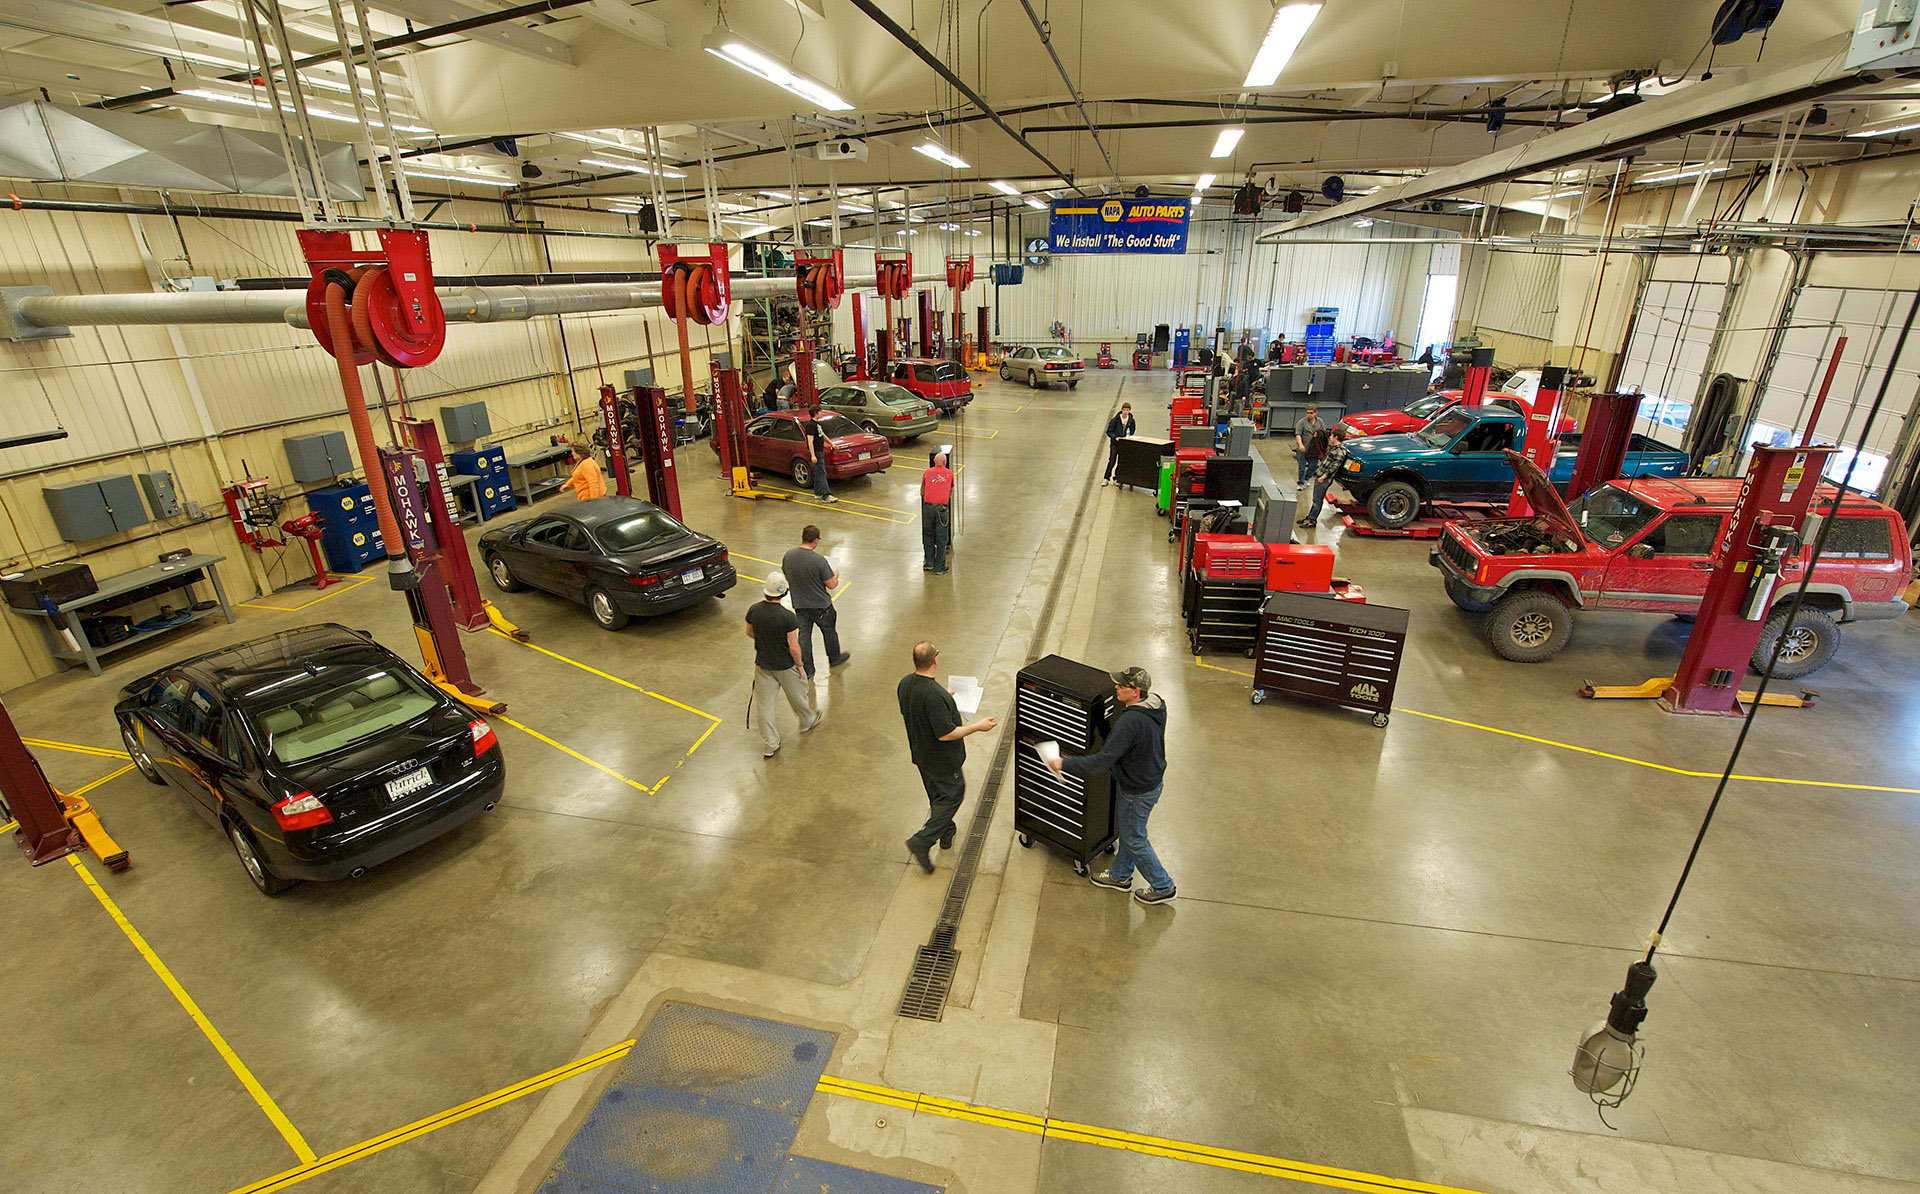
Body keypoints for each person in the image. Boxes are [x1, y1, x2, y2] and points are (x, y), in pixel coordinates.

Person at [1047, 665, 1173, 905]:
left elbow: (1102, 761)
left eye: (1121, 686)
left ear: (1135, 691)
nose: (1116, 687)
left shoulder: (1131, 721)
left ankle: (1163, 886)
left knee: (1135, 838)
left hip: (1138, 789)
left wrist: (1063, 764)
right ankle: (1120, 876)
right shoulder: (1156, 704)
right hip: (1150, 779)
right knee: (1128, 832)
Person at [896, 640, 996, 873]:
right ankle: (921, 841)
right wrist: (978, 726)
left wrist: (946, 699)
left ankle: (946, 832)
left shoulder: (906, 684)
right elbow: (946, 734)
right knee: (952, 796)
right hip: (941, 759)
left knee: (937, 796)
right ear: (935, 660)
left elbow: (916, 708)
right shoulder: (934, 695)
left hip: (921, 755)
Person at [745, 571, 818, 758]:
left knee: (764, 706)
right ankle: (807, 720)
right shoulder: (788, 617)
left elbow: (749, 632)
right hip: (785, 666)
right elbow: (794, 647)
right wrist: (800, 665)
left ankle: (770, 744)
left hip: (763, 665)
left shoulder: (754, 610)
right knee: (797, 696)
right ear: (783, 592)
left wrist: (765, 640)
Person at [781, 524, 850, 680]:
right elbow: (831, 584)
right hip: (821, 607)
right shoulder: (819, 560)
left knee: (804, 637)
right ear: (816, 540)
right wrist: (835, 574)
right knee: (829, 632)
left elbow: (787, 577)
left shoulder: (789, 556)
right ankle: (834, 658)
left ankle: (808, 669)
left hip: (800, 605)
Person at [1298, 428, 1348, 528]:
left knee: (1318, 500)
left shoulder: (1339, 451)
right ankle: (1310, 517)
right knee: (1315, 499)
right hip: (1320, 476)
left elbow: (1334, 467)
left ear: (1336, 437)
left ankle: (1312, 520)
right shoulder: (1333, 448)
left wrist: (1323, 477)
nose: (1329, 437)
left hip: (1324, 479)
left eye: (1331, 435)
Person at [921, 450, 954, 573]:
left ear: (934, 462)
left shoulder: (927, 472)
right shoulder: (949, 473)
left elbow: (922, 491)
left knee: (928, 535)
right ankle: (939, 567)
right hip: (941, 508)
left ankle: (929, 563)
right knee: (941, 538)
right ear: (945, 462)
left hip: (928, 508)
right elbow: (950, 491)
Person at [803, 409, 837, 502]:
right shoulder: (810, 426)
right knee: (822, 473)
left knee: (819, 472)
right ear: (815, 413)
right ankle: (826, 496)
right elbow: (810, 441)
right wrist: (813, 455)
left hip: (820, 451)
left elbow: (822, 435)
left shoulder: (817, 424)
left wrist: (831, 443)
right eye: (820, 412)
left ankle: (818, 493)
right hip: (816, 452)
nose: (821, 413)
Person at [1294, 401, 1328, 488]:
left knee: (1313, 466)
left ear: (1315, 413)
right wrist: (1301, 445)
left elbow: (1324, 433)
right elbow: (1298, 434)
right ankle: (1300, 483)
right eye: (1307, 413)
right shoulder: (1301, 422)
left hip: (1314, 450)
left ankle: (1307, 478)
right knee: (1302, 467)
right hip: (1303, 448)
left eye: (1311, 413)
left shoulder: (1320, 422)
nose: (1309, 415)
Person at [1102, 403, 1135, 486]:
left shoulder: (1131, 420)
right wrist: (1115, 437)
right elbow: (1109, 431)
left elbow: (1133, 429)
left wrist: (1129, 435)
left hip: (1124, 444)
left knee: (1121, 461)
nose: (1126, 412)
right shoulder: (1115, 420)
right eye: (1124, 410)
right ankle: (1106, 478)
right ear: (1122, 410)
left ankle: (1117, 478)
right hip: (1115, 444)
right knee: (1112, 461)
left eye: (1127, 410)